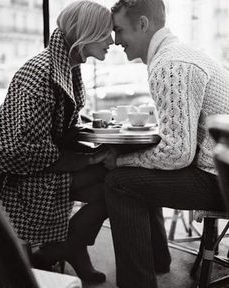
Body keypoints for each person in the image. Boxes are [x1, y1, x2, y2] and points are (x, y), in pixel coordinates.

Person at [103, 0, 229, 287]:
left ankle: (138, 282)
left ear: (144, 24)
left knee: (119, 181)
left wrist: (120, 160)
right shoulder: (180, 53)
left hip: (221, 179)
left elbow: (176, 154)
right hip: (222, 168)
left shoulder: (170, 64)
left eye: (120, 30)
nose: (115, 39)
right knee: (142, 172)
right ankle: (158, 259)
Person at [0, 0, 113, 284]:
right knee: (117, 183)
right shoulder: (40, 73)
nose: (113, 40)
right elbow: (11, 150)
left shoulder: (67, 67)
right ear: (87, 32)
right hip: (18, 179)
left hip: (40, 167)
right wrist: (89, 158)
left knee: (119, 178)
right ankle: (67, 245)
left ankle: (70, 245)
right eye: (106, 32)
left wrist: (92, 146)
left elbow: (58, 130)